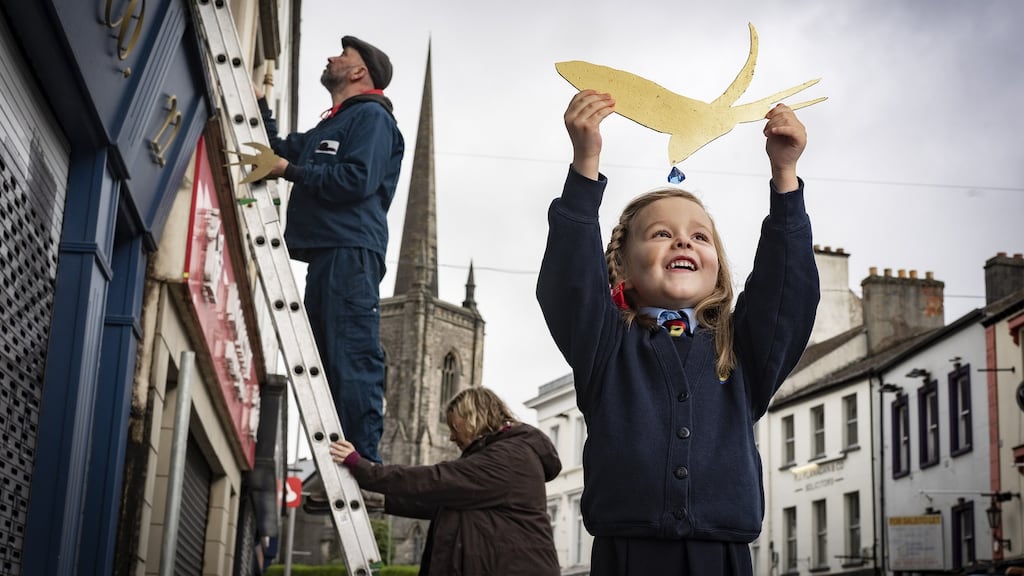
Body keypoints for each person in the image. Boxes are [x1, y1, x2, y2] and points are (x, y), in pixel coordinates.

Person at [536, 90, 820, 575]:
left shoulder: (740, 351)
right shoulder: (606, 345)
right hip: (627, 555)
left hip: (723, 557)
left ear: (716, 267)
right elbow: (570, 284)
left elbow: (787, 295)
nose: (683, 239)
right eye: (662, 233)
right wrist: (585, 161)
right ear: (622, 268)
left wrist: (785, 177)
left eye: (699, 235)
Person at [257, 36, 404, 463]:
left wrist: (291, 171)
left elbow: (356, 181)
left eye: (343, 55)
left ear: (359, 72)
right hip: (327, 252)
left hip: (350, 250)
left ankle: (364, 463)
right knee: (324, 360)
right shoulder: (331, 126)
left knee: (352, 356)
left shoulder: (373, 120)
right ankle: (337, 460)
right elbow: (274, 153)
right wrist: (259, 105)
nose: (331, 57)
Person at [329, 387, 562, 576]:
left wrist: (364, 469)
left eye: (454, 426)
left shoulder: (510, 456)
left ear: (473, 418)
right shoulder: (504, 456)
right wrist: (381, 500)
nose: (451, 436)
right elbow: (444, 502)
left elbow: (436, 480)